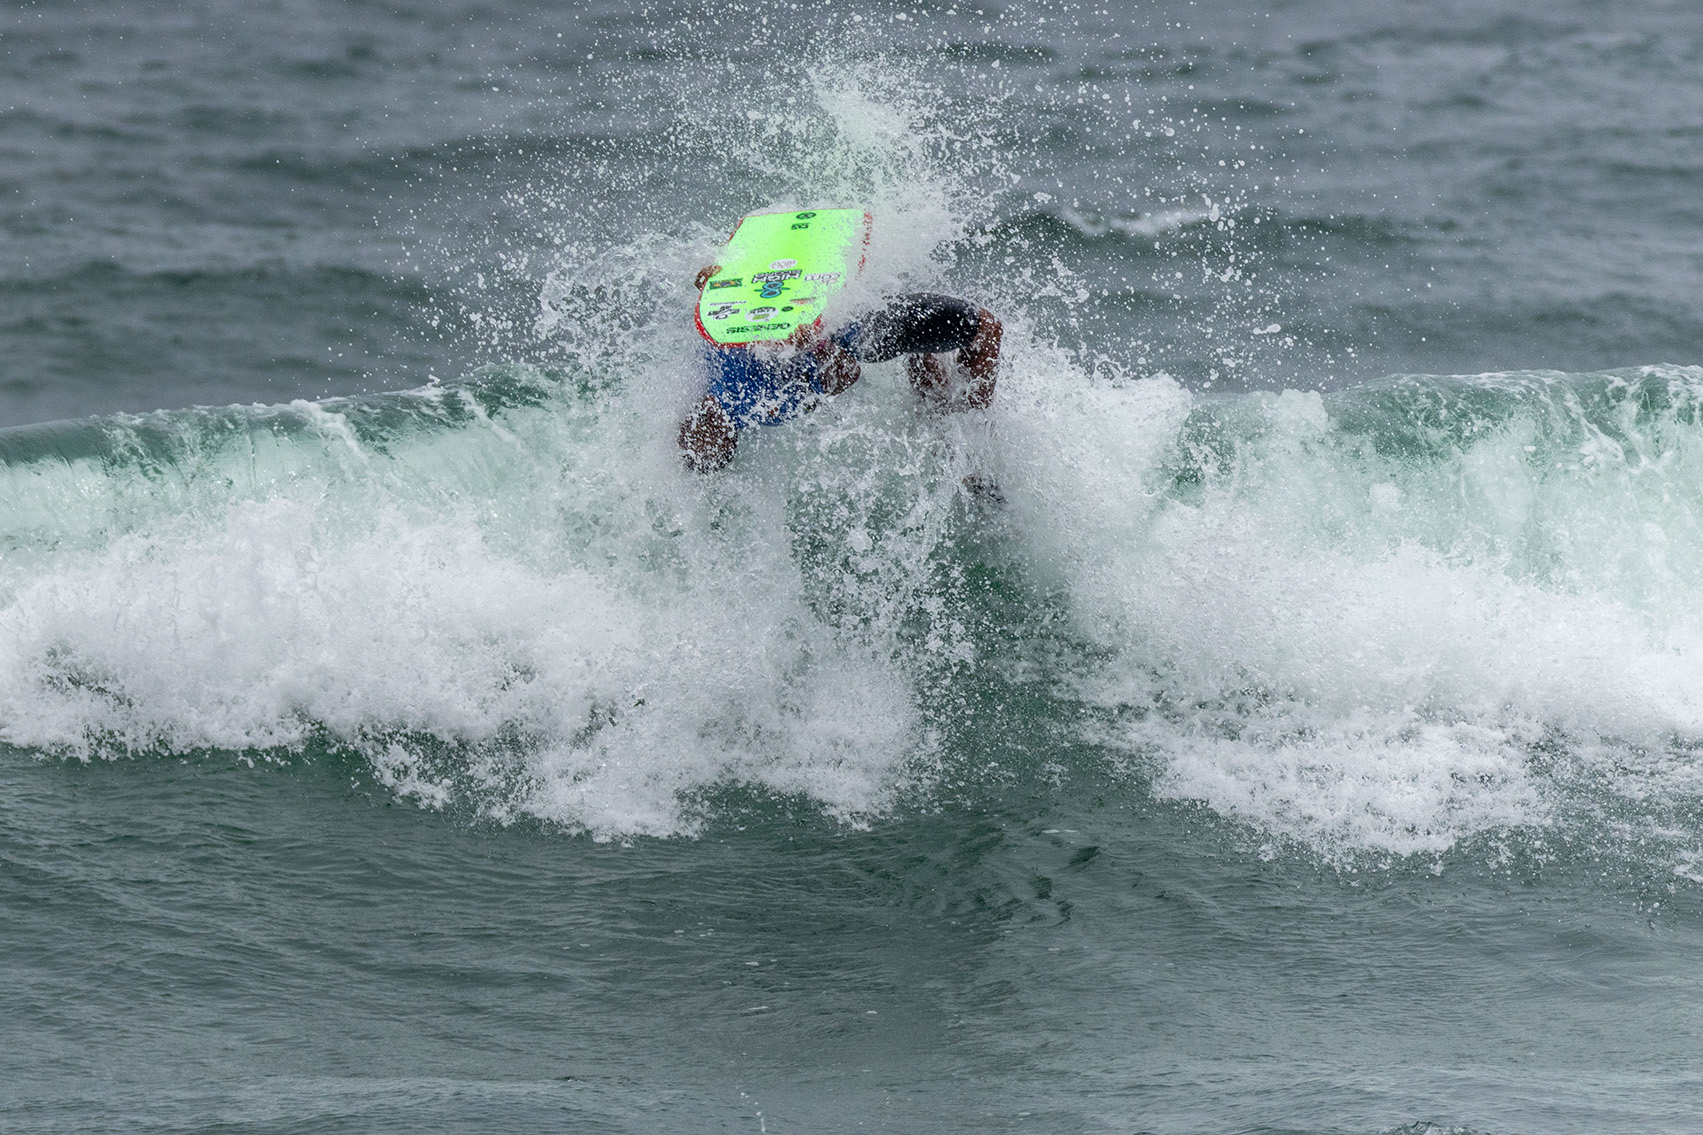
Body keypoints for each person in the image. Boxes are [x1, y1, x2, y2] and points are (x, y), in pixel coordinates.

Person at [677, 264, 1003, 473]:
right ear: (728, 439)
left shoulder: (701, 378)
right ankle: (973, 447)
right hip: (862, 327)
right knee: (986, 328)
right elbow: (845, 376)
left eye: (688, 434)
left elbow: (731, 317)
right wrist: (817, 345)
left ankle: (939, 411)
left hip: (826, 291)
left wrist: (716, 286)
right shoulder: (762, 407)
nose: (697, 428)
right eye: (707, 437)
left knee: (926, 351)